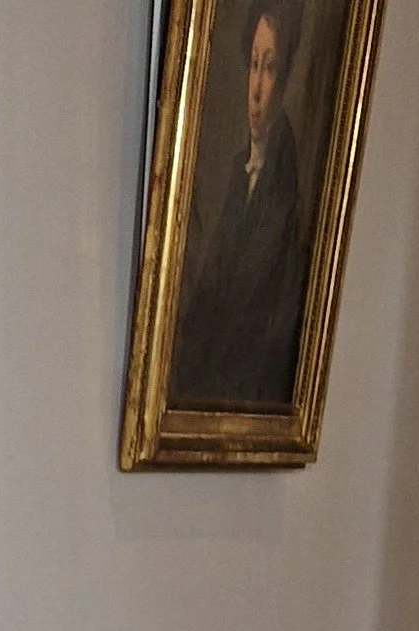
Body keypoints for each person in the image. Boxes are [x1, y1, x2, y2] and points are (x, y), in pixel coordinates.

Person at [170, 9, 311, 408]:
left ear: (285, 79)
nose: (256, 88)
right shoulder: (239, 173)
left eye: (269, 68)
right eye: (253, 65)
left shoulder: (288, 188)